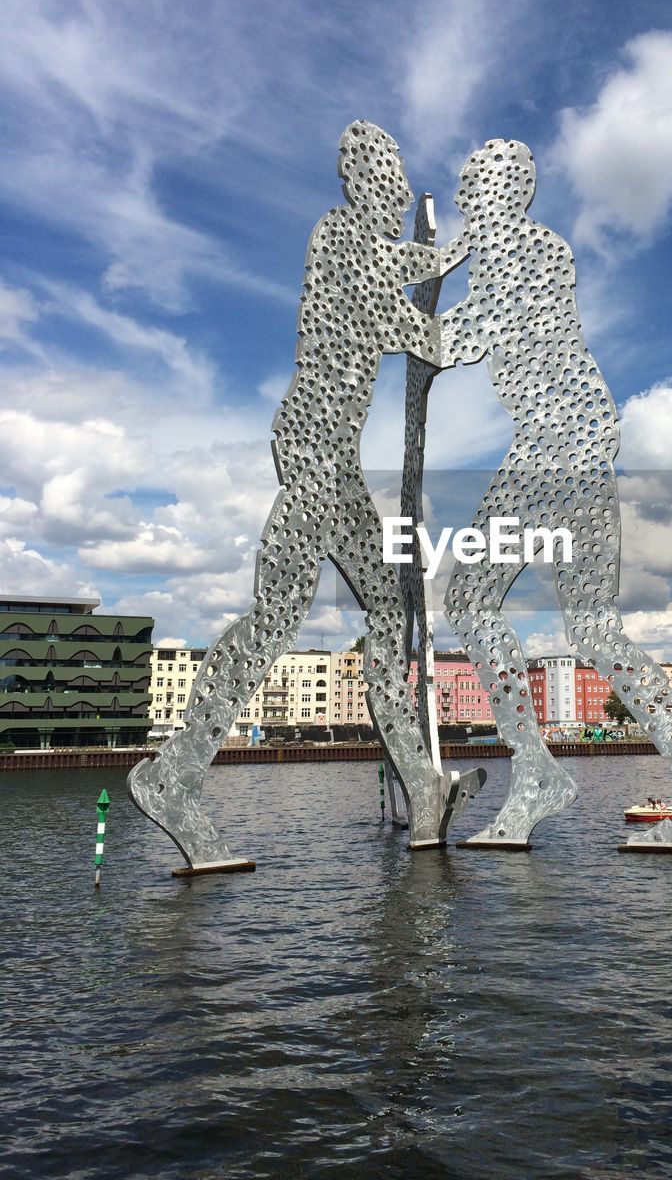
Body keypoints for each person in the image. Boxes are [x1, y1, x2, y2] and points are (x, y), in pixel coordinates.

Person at [129, 121, 468, 866]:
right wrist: (455, 322)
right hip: (314, 452)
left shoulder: (367, 246)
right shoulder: (341, 237)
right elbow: (399, 313)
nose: (397, 197)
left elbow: (406, 269)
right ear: (363, 184)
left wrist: (444, 256)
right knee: (283, 618)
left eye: (403, 191)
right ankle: (172, 775)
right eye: (391, 187)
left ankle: (423, 793)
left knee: (383, 616)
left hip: (333, 461)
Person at [437, 140, 672, 848]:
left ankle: (548, 773)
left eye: (469, 189)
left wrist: (387, 317)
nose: (459, 202)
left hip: (555, 448)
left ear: (504, 192)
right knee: (584, 630)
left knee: (478, 605)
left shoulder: (527, 251)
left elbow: (459, 337)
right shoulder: (520, 250)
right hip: (571, 446)